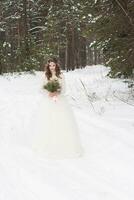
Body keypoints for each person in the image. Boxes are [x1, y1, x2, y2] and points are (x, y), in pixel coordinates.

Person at [31, 58, 84, 159]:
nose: (52, 67)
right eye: (50, 65)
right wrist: (49, 93)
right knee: (48, 122)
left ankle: (66, 146)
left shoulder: (61, 75)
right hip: (48, 102)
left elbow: (64, 89)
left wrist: (58, 92)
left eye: (53, 65)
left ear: (56, 65)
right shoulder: (45, 75)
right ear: (48, 66)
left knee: (62, 122)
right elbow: (41, 89)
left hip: (60, 101)